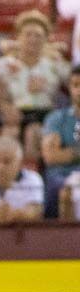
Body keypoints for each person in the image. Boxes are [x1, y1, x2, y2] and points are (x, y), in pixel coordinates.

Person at [0, 10, 69, 168]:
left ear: (46, 39)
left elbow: (73, 82)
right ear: (18, 37)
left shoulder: (54, 63)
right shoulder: (5, 64)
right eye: (28, 34)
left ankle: (33, 176)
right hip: (16, 113)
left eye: (38, 35)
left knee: (33, 133)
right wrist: (6, 107)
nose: (33, 39)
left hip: (45, 114)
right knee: (9, 134)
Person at [41, 66, 80, 218]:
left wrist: (68, 152)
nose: (79, 90)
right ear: (69, 88)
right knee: (62, 189)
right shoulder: (56, 118)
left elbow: (59, 154)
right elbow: (51, 157)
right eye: (76, 85)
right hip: (62, 175)